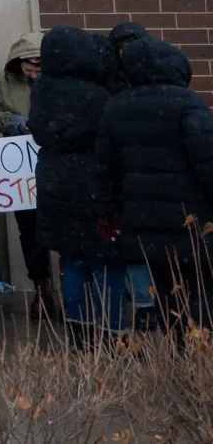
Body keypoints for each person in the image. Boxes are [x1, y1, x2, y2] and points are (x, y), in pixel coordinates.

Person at [96, 35, 213, 319]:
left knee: (165, 290)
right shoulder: (188, 103)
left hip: (142, 219)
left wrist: (111, 210)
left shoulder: (115, 107)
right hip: (190, 218)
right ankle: (199, 351)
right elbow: (207, 161)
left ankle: (176, 351)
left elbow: (104, 168)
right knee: (201, 291)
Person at [31, 27, 128, 329]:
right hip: (92, 183)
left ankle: (78, 327)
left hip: (54, 183)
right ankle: (113, 330)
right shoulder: (97, 94)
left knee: (74, 261)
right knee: (105, 261)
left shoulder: (43, 88)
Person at [0, 30, 50, 307]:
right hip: (21, 166)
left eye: (38, 69)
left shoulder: (58, 78)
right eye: (29, 69)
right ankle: (42, 287)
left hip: (54, 161)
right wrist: (16, 122)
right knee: (30, 230)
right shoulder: (3, 80)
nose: (34, 75)